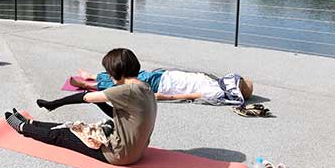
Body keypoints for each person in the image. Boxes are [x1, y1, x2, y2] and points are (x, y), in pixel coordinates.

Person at [6, 48, 157, 166]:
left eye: (109, 72)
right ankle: (32, 123)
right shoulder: (146, 88)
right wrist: (97, 101)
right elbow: (120, 117)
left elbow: (83, 97)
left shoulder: (125, 90)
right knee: (77, 126)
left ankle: (21, 127)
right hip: (137, 152)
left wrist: (53, 104)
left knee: (63, 135)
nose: (109, 75)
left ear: (117, 71)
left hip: (118, 154)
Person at [69, 67, 253, 105]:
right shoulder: (215, 81)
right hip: (163, 75)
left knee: (125, 82)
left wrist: (161, 97)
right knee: (130, 74)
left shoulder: (214, 91)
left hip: (162, 84)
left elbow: (189, 96)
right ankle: (93, 76)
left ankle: (91, 85)